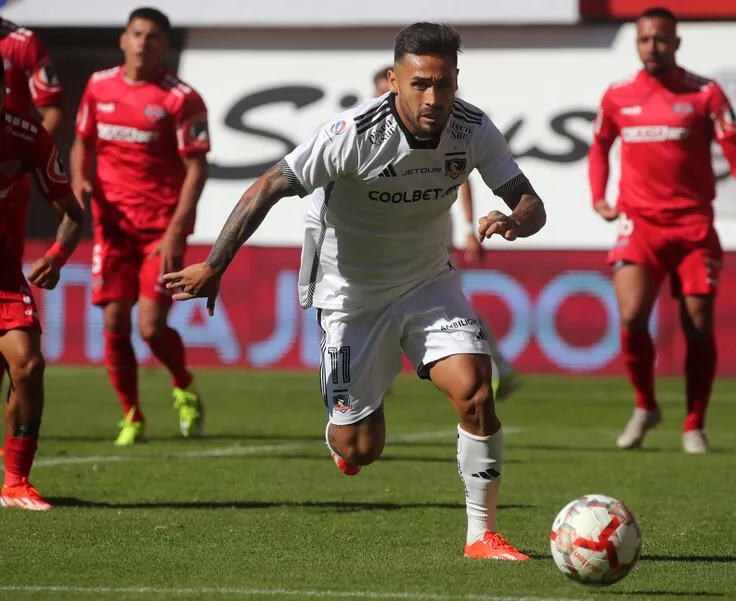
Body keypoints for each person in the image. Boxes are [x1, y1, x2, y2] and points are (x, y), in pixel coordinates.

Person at [165, 23, 545, 560]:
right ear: (394, 80)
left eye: (443, 83)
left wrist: (514, 220)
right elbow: (267, 186)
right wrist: (214, 264)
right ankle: (346, 433)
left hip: (427, 283)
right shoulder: (351, 134)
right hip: (350, 294)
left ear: (456, 80)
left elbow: (531, 203)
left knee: (477, 392)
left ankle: (480, 535)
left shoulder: (473, 128)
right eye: (419, 84)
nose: (432, 97)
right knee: (360, 448)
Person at [588, 7, 736, 454]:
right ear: (636, 44)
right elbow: (599, 146)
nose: (652, 47)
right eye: (644, 40)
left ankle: (694, 424)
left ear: (676, 43)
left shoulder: (705, 93)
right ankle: (646, 406)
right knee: (632, 316)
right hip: (639, 223)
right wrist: (598, 196)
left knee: (697, 324)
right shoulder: (617, 95)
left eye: (660, 39)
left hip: (693, 225)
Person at [69, 7, 210, 446]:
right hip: (112, 228)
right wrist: (78, 180)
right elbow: (82, 141)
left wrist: (175, 232)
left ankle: (184, 384)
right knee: (114, 320)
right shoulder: (98, 86)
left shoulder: (180, 98)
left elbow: (197, 168)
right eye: (136, 34)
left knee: (150, 327)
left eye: (152, 37)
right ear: (123, 39)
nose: (143, 43)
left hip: (159, 230)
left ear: (164, 46)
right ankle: (131, 415)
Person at [372, 66, 521, 399]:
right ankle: (373, 374)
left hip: (429, 232)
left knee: (448, 304)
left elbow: (461, 175)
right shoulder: (366, 133)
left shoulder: (440, 128)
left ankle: (494, 364)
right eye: (381, 93)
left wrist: (468, 227)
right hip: (384, 237)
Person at [0, 60, 84, 510]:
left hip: (4, 277)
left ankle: (15, 482)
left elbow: (72, 213)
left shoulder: (26, 136)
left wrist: (56, 255)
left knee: (28, 365)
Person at [0, 17, 65, 458]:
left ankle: (16, 474)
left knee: (25, 362)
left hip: (10, 188)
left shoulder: (22, 43)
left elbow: (51, 109)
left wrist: (26, 156)